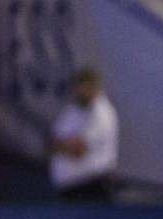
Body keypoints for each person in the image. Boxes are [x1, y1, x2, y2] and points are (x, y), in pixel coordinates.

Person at [47, 67, 119, 202]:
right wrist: (63, 145)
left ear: (93, 87)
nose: (78, 90)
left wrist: (61, 145)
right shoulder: (71, 111)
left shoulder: (102, 113)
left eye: (83, 86)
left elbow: (78, 150)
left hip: (92, 189)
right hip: (69, 190)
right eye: (77, 86)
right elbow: (48, 144)